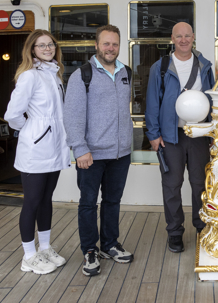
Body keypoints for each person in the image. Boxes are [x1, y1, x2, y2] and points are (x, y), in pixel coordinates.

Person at [63, 24, 134, 276]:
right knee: (88, 204)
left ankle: (110, 245)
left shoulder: (126, 72)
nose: (111, 48)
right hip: (90, 155)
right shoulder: (82, 75)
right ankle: (89, 250)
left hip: (120, 154)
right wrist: (80, 149)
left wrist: (127, 143)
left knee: (112, 201)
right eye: (106, 43)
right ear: (96, 45)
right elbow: (72, 116)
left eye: (114, 44)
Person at [4, 29, 71, 275]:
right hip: (36, 149)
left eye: (50, 44)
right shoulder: (30, 76)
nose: (47, 48)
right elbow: (12, 115)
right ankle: (29, 255)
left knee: (46, 200)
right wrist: (31, 130)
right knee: (31, 202)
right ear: (32, 50)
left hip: (54, 148)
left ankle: (44, 248)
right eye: (41, 45)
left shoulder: (55, 75)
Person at [145, 22, 215, 253]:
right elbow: (153, 101)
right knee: (172, 186)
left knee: (200, 185)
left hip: (199, 134)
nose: (183, 40)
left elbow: (212, 99)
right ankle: (175, 232)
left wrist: (213, 130)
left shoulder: (204, 65)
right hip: (170, 136)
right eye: (179, 36)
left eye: (187, 36)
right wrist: (153, 134)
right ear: (172, 38)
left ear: (193, 37)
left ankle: (202, 227)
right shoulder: (161, 66)